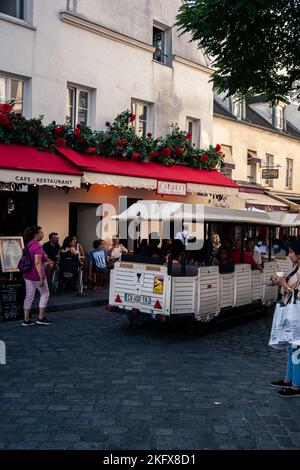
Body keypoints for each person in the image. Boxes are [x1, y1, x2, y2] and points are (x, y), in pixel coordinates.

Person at [271, 240, 300, 397]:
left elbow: (296, 292)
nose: (289, 255)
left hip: (298, 312)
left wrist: (285, 285)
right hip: (292, 310)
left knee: (297, 349)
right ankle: (289, 380)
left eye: (291, 252)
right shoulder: (296, 267)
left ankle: (297, 386)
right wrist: (279, 282)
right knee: (291, 347)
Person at [22, 226, 52, 327]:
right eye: (41, 233)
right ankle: (41, 318)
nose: (43, 235)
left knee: (29, 296)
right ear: (36, 235)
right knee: (45, 294)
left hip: (27, 274)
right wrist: (41, 277)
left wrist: (48, 262)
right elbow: (37, 263)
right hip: (36, 275)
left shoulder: (29, 244)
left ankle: (26, 320)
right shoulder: (37, 246)